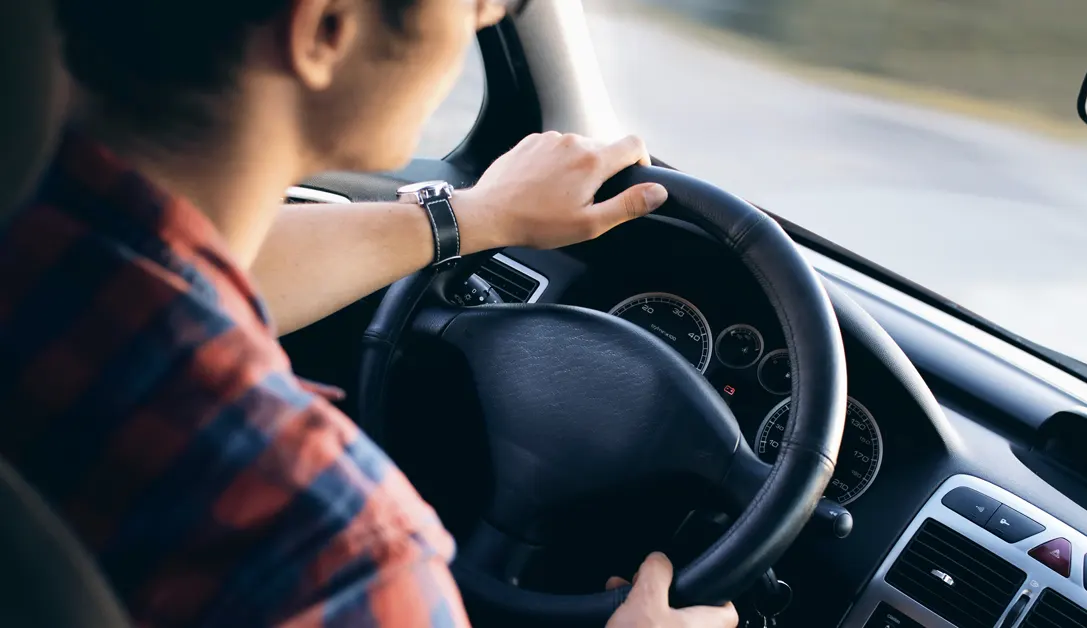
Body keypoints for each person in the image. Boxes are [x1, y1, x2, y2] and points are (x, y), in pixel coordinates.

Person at [0, 0, 739, 627]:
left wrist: (475, 217)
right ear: (325, 27)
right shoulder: (333, 554)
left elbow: (192, 266)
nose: (485, 15)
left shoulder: (42, 238)